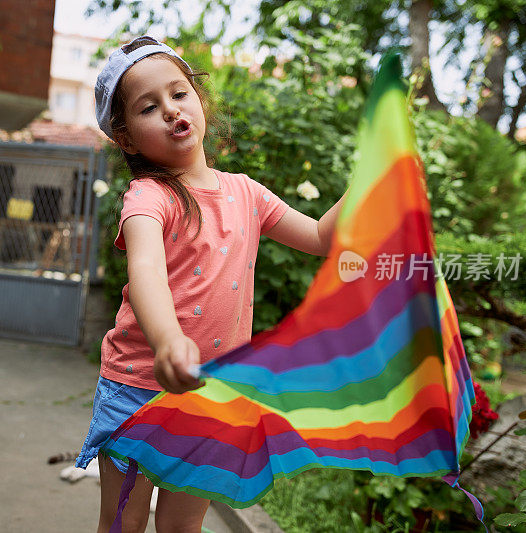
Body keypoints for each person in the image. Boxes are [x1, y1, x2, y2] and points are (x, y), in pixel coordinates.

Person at [76, 35, 346, 533]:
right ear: (127, 137)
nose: (171, 111)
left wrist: (372, 182)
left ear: (199, 100)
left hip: (209, 395)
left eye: (179, 94)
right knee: (123, 522)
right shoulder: (148, 197)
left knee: (182, 526)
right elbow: (147, 273)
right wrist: (168, 340)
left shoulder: (247, 192)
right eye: (149, 106)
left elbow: (321, 236)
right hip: (137, 389)